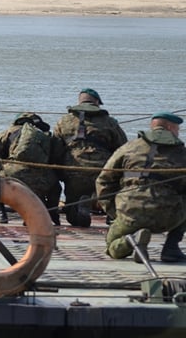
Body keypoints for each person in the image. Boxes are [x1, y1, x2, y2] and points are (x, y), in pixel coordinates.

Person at [96, 112, 186, 263]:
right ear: (170, 127)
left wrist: (114, 212)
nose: (178, 133)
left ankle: (131, 241)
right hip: (168, 217)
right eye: (177, 129)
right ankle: (171, 247)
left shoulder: (128, 148)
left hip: (130, 213)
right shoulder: (182, 153)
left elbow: (104, 181)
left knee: (112, 248)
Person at [54, 88, 127, 227]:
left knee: (72, 214)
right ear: (97, 102)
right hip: (101, 170)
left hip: (73, 169)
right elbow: (122, 148)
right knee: (107, 193)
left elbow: (56, 149)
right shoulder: (109, 122)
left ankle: (78, 210)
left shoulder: (64, 121)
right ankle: (110, 215)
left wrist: (60, 172)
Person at [0, 112, 65, 226]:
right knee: (56, 187)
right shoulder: (46, 135)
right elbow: (56, 159)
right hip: (42, 181)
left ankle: (1, 212)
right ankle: (51, 213)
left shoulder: (10, 132)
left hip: (13, 178)